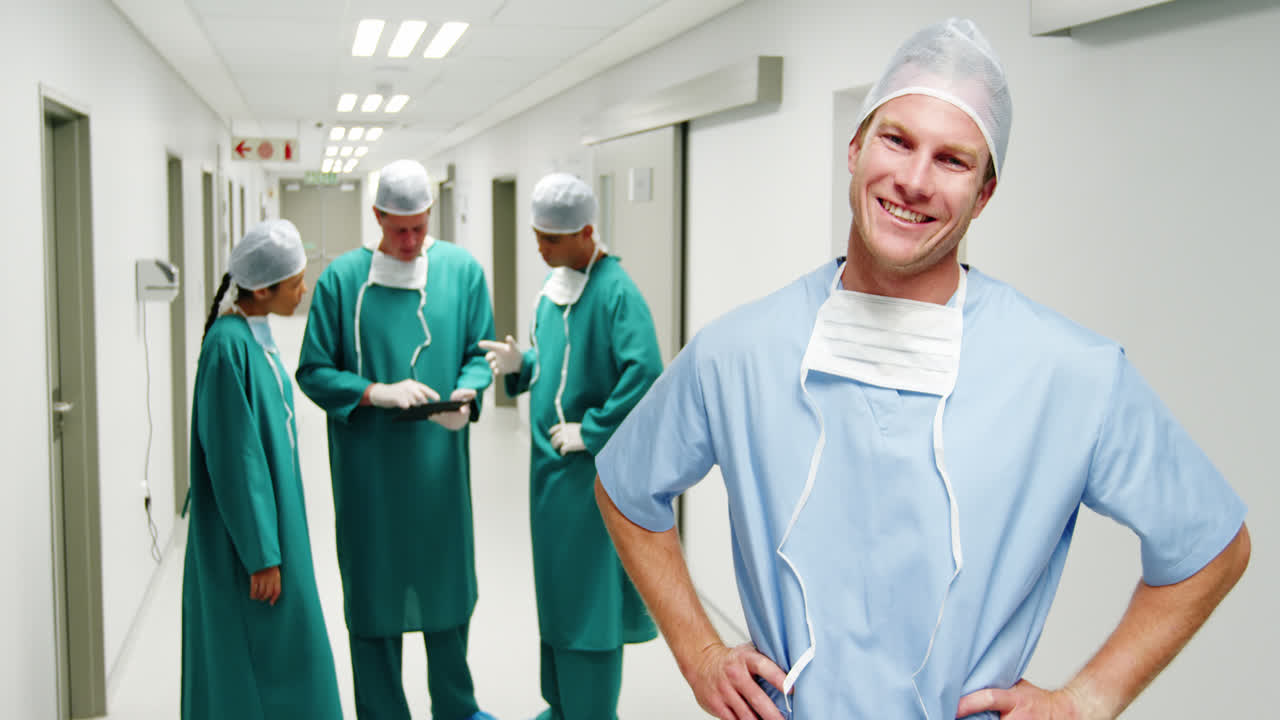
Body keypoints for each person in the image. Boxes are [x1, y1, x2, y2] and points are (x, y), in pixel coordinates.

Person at [593, 18, 1250, 720]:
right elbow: (626, 487)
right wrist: (699, 655)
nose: (913, 180)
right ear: (855, 147)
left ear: (985, 193)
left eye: (953, 159)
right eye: (897, 140)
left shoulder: (1071, 375)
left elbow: (1213, 544)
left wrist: (1091, 697)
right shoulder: (740, 352)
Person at [296, 159, 498, 720]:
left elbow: (478, 354)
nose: (409, 241)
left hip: (438, 476)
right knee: (374, 600)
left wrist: (466, 395)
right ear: (377, 216)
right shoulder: (342, 282)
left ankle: (457, 709)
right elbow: (312, 370)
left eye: (419, 227)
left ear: (431, 214)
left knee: (447, 594)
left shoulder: (460, 272)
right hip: (371, 477)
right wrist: (372, 392)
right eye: (397, 228)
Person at [478, 173, 662, 720]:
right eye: (536, 235)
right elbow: (556, 364)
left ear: (585, 232)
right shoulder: (556, 286)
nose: (539, 247)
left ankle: (589, 710)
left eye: (551, 239)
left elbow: (646, 372)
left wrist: (595, 429)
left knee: (590, 603)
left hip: (591, 479)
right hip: (551, 479)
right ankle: (559, 705)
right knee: (558, 595)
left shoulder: (616, 291)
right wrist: (523, 366)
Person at [182, 219, 342, 720]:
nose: (303, 289)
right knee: (260, 654)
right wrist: (260, 556)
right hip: (250, 547)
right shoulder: (228, 348)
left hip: (275, 528)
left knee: (289, 647)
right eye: (295, 281)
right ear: (264, 287)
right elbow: (236, 461)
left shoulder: (254, 338)